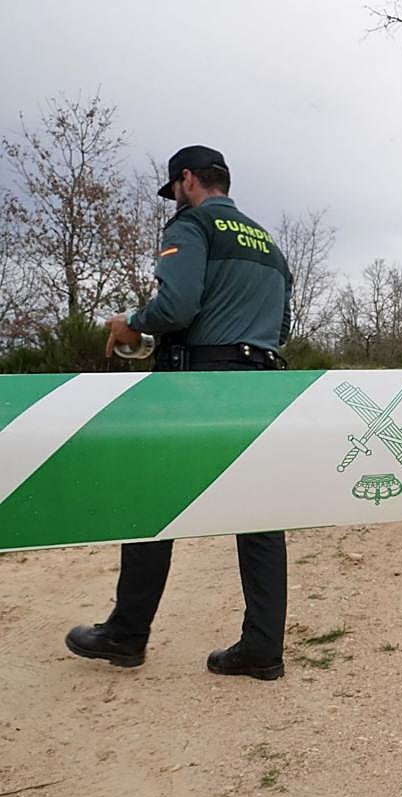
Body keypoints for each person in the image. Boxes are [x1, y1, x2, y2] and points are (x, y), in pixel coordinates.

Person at [65, 145, 294, 680]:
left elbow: (175, 306)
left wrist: (131, 322)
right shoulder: (269, 244)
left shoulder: (192, 226)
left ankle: (126, 634)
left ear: (187, 180)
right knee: (260, 517)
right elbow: (280, 328)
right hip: (262, 383)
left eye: (174, 191)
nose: (174, 200)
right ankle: (263, 648)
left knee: (151, 501)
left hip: (199, 388)